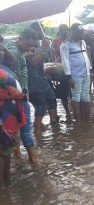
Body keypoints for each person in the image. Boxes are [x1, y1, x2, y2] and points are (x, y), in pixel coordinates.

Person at [5, 29, 38, 163]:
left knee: (14, 129)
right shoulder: (12, 50)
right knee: (25, 128)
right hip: (16, 97)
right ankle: (34, 160)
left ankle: (18, 157)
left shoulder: (19, 51)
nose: (29, 48)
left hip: (17, 96)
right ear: (21, 39)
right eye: (27, 45)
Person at [27, 22, 58, 133]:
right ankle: (37, 131)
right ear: (35, 31)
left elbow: (42, 61)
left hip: (43, 78)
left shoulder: (38, 44)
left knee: (51, 99)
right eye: (40, 29)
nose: (42, 32)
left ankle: (47, 124)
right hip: (33, 81)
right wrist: (44, 48)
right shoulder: (29, 45)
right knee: (40, 105)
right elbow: (33, 61)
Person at [0, 66, 27, 189]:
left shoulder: (3, 72)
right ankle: (5, 187)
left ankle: (5, 188)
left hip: (8, 113)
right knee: (4, 152)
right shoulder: (4, 73)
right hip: (6, 114)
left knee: (5, 151)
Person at [61, 23, 92, 122]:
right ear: (73, 33)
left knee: (86, 96)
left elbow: (86, 57)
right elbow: (65, 62)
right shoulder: (65, 45)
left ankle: (87, 118)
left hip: (86, 73)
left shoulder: (83, 42)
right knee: (76, 96)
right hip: (75, 75)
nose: (82, 34)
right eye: (80, 32)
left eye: (83, 32)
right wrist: (69, 77)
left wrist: (90, 70)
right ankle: (78, 121)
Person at [52, 24, 71, 121]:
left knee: (72, 91)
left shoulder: (70, 41)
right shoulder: (56, 42)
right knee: (63, 93)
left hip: (71, 68)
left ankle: (71, 113)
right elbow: (54, 56)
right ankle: (68, 113)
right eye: (64, 29)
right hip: (61, 69)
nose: (66, 31)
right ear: (60, 30)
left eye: (67, 29)